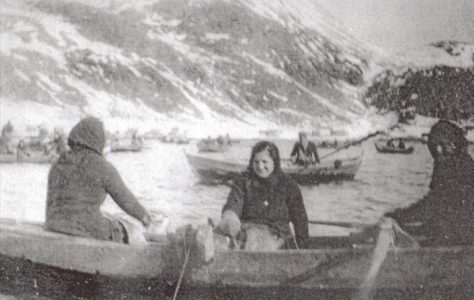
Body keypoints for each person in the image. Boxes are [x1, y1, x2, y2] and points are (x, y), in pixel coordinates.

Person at [45, 117, 152, 243]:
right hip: (86, 228)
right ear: (98, 139)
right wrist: (145, 218)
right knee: (128, 229)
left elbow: (51, 202)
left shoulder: (58, 163)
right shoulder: (102, 166)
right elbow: (126, 200)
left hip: (54, 224)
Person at [383, 120, 473, 246]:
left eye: (443, 145)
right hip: (446, 229)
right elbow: (434, 202)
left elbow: (432, 204)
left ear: (455, 145)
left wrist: (399, 216)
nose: (438, 150)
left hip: (461, 237)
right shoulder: (445, 164)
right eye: (435, 145)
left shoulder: (463, 168)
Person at [218, 141, 309, 250]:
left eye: (264, 162)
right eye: (256, 162)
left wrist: (303, 248)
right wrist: (230, 218)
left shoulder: (288, 185)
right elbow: (233, 205)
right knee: (221, 235)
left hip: (277, 238)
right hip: (245, 233)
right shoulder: (243, 183)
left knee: (253, 239)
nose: (260, 167)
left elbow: (300, 219)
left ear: (274, 162)